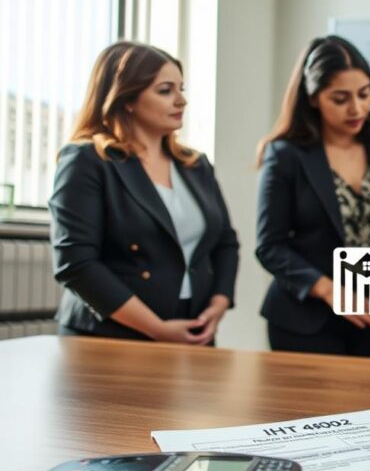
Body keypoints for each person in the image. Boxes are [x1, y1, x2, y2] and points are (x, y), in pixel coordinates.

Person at [49, 42, 239, 343]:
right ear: (127, 99)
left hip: (191, 327)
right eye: (165, 90)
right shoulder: (87, 160)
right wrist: (157, 329)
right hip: (111, 335)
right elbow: (77, 264)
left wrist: (219, 303)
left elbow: (225, 242)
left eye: (182, 89)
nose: (181, 101)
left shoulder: (195, 164)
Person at [256, 35, 370, 358]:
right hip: (306, 319)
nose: (357, 108)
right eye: (340, 98)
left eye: (364, 94)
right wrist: (332, 292)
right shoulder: (286, 155)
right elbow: (270, 246)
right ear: (314, 97)